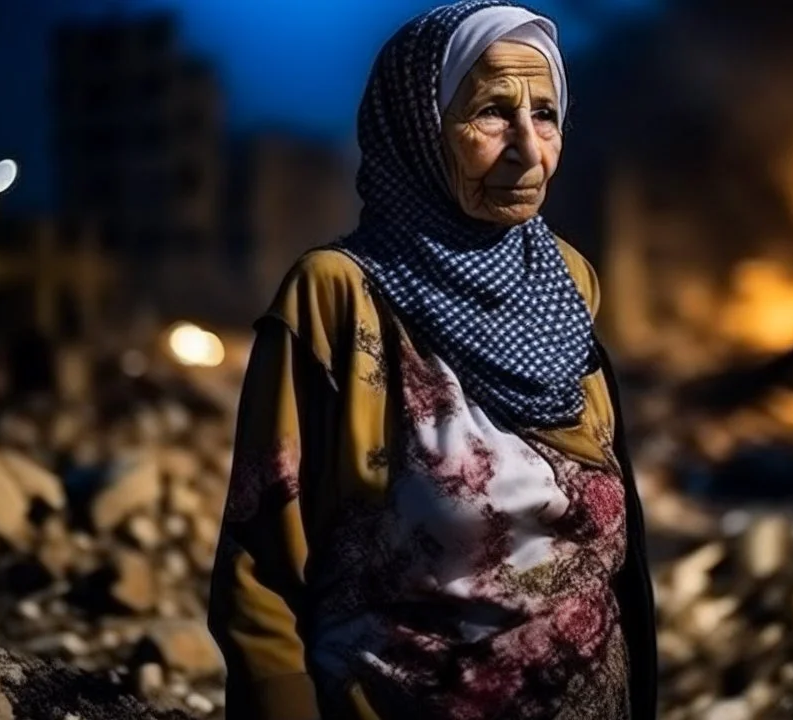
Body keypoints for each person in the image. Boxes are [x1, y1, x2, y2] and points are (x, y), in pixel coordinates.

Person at [208, 1, 656, 718]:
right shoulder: (337, 297)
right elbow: (260, 569)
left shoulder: (566, 279)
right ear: (417, 130)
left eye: (545, 114)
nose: (528, 149)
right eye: (489, 114)